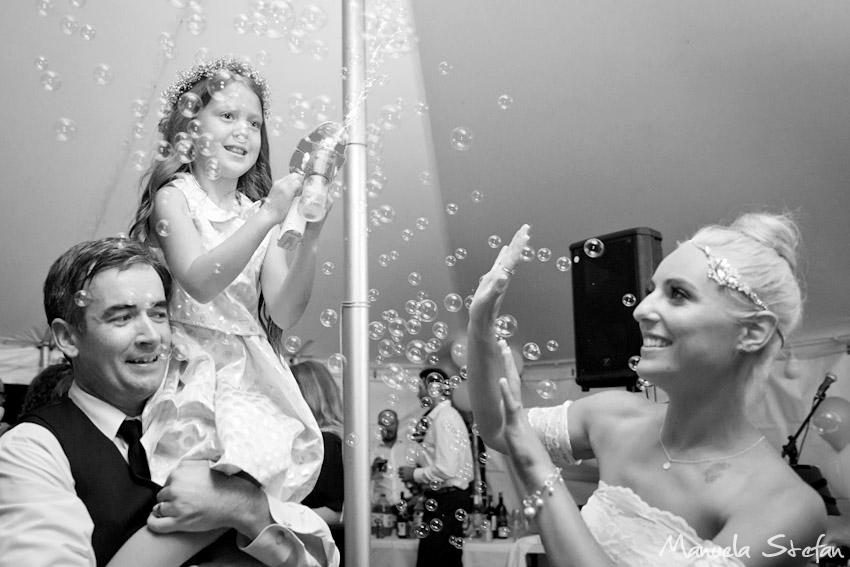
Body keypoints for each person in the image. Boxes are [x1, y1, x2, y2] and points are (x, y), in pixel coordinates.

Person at [467, 215, 829, 567]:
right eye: (651, 291)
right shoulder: (614, 417)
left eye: (678, 294)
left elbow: (523, 449)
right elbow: (499, 430)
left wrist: (536, 466)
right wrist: (480, 325)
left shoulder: (785, 506)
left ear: (752, 333)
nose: (641, 310)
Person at [0, 237, 337, 567]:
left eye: (159, 314)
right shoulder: (33, 449)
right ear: (67, 337)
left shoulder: (210, 419)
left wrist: (245, 507)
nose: (151, 336)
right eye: (122, 317)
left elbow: (321, 557)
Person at [117, 56, 330, 565]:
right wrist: (270, 217)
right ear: (190, 129)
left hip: (252, 372)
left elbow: (284, 308)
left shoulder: (259, 213)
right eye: (229, 116)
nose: (245, 131)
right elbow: (200, 279)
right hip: (195, 364)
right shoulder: (176, 197)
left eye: (255, 122)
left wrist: (310, 232)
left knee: (236, 498)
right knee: (196, 488)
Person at [399, 368, 474, 567]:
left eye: (420, 386)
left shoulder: (445, 418)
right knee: (445, 560)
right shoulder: (440, 417)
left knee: (433, 560)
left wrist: (413, 474)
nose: (418, 393)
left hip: (447, 499)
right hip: (444, 498)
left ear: (433, 387)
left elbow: (446, 469)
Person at [291, 360, 346, 565]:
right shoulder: (321, 442)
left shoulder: (327, 443)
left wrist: (278, 517)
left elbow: (339, 512)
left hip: (321, 553)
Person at [370, 408, 411, 504]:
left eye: (391, 424)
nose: (388, 428)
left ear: (397, 423)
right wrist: (372, 469)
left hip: (408, 505)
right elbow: (360, 481)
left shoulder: (410, 446)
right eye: (384, 424)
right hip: (381, 507)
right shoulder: (370, 450)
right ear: (379, 425)